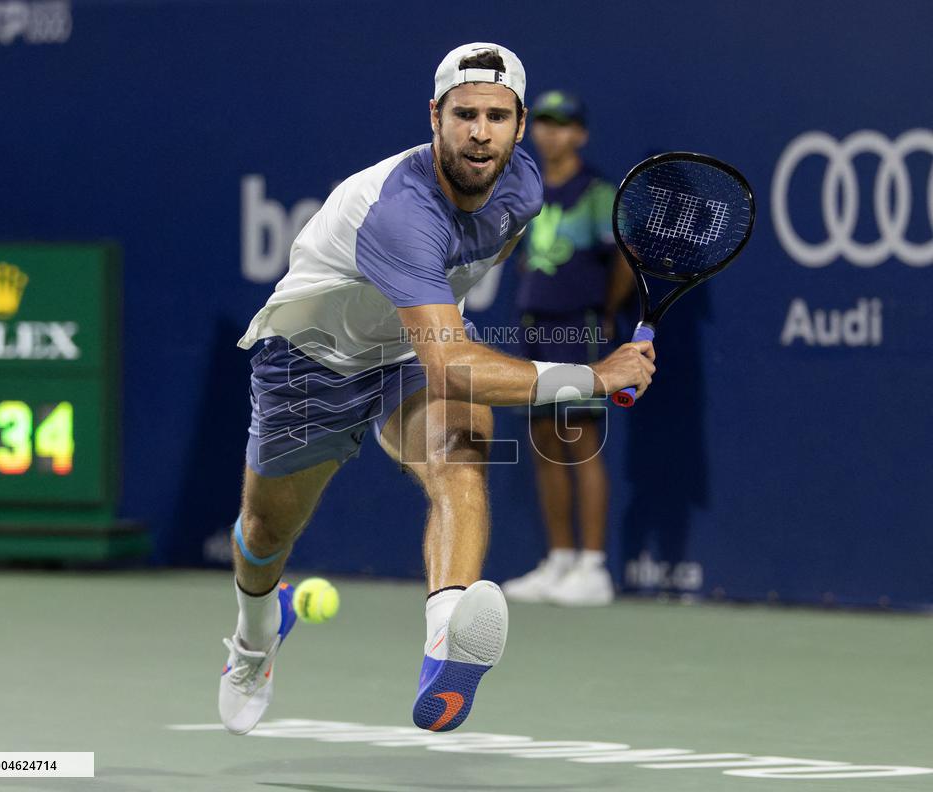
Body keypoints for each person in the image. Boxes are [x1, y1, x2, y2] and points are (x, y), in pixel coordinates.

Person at [220, 44, 656, 736]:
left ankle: (445, 635)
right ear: (435, 117)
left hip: (407, 350)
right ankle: (253, 638)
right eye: (464, 114)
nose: (480, 131)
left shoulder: (522, 188)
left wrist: (442, 328)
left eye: (496, 116)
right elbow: (455, 364)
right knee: (266, 533)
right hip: (310, 361)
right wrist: (595, 377)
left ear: (518, 126)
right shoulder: (399, 210)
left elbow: (467, 298)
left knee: (461, 454)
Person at [502, 91, 636, 607]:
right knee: (543, 441)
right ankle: (559, 559)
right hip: (536, 328)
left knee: (580, 439)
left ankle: (593, 566)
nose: (551, 133)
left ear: (580, 134)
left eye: (564, 125)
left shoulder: (598, 193)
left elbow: (622, 260)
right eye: (545, 123)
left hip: (576, 330)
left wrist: (605, 311)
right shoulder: (529, 191)